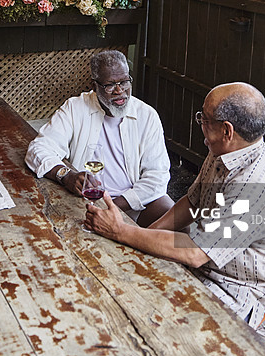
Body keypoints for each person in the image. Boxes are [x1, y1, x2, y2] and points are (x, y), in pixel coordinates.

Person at [85, 82, 265, 337]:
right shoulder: (225, 150)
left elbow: (196, 253)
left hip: (247, 294)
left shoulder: (253, 188)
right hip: (215, 268)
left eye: (204, 119)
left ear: (227, 130)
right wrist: (145, 236)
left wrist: (121, 232)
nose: (200, 124)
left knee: (149, 323)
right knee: (128, 282)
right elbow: (192, 200)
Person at [25, 50, 173, 227]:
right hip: (85, 202)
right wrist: (66, 175)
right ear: (95, 85)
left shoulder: (146, 115)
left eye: (124, 82)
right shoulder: (75, 108)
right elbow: (38, 149)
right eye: (110, 85)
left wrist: (113, 208)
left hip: (133, 203)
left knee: (176, 220)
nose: (120, 90)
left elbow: (157, 176)